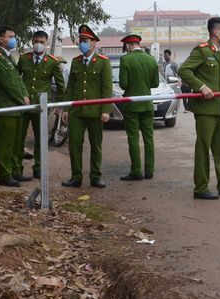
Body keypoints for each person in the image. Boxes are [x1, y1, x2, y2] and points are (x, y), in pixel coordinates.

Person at [178, 16, 220, 200]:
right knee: (203, 147)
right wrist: (201, 87)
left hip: (219, 108)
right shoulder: (202, 51)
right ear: (216, 31)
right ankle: (201, 187)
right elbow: (184, 71)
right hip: (205, 109)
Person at [61, 24, 113, 188]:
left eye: (85, 41)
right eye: (80, 40)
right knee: (74, 144)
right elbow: (70, 87)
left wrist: (106, 110)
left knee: (95, 145)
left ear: (93, 43)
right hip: (77, 112)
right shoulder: (76, 62)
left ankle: (95, 176)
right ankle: (76, 176)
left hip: (95, 111)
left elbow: (107, 88)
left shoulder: (103, 62)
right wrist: (66, 109)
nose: (82, 43)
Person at [16, 30, 65, 178]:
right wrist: (20, 96)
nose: (39, 44)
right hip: (24, 105)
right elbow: (16, 79)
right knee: (19, 138)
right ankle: (17, 169)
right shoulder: (23, 59)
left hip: (41, 107)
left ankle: (39, 169)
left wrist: (57, 106)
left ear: (47, 43)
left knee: (41, 139)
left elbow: (61, 86)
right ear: (32, 42)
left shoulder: (52, 62)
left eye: (42, 42)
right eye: (36, 41)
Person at [0, 25, 30, 187]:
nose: (14, 40)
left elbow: (18, 80)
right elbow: (8, 84)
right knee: (5, 143)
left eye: (14, 37)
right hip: (6, 107)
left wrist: (25, 95)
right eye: (11, 37)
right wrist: (21, 99)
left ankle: (16, 171)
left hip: (17, 107)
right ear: (1, 39)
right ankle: (5, 175)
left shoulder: (9, 58)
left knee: (17, 143)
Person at [118, 32, 160, 181]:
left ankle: (136, 171)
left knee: (133, 138)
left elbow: (123, 84)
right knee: (149, 138)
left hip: (131, 106)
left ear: (128, 45)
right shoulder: (151, 59)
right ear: (138, 44)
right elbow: (155, 83)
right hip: (147, 104)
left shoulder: (125, 60)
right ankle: (149, 171)